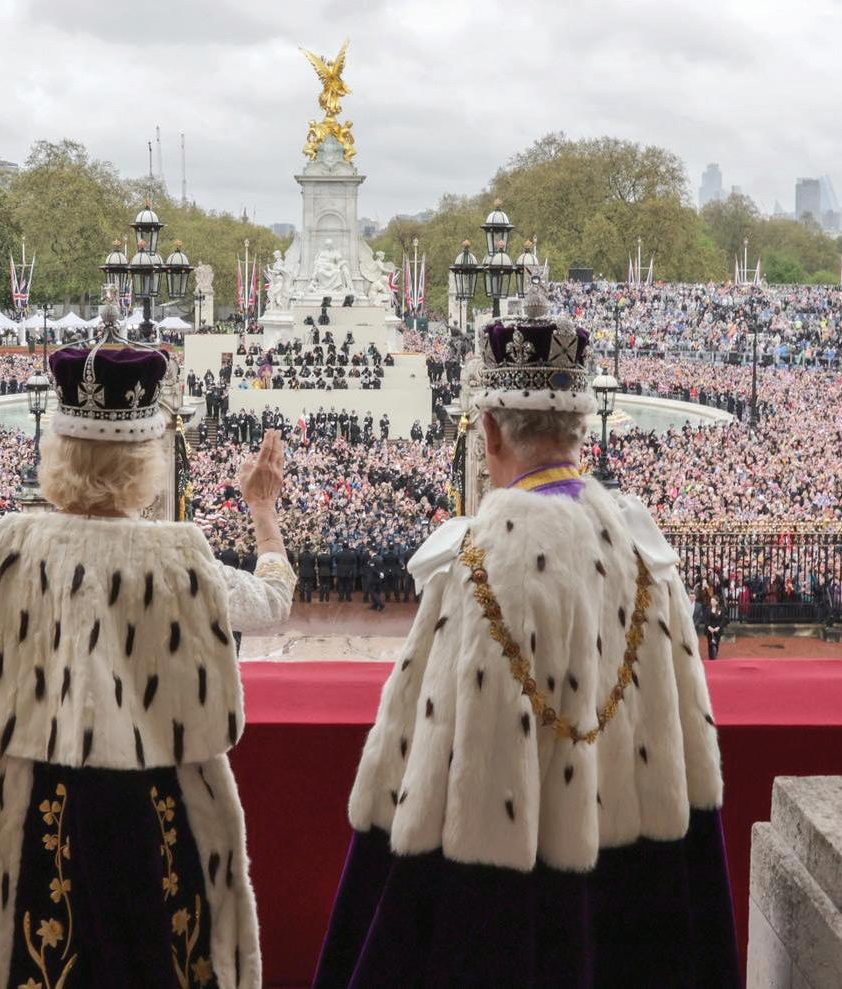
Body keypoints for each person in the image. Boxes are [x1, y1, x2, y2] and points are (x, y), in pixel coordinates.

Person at [314, 287, 738, 987]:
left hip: (511, 901)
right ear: (580, 427)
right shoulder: (646, 554)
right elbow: (690, 756)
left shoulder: (480, 562)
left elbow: (436, 767)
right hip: (636, 893)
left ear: (489, 431)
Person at [0, 324, 295, 989]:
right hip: (153, 810)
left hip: (36, 810)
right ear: (145, 459)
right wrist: (262, 511)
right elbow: (272, 600)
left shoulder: (9, 546)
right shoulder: (178, 556)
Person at [706, 594, 725, 659]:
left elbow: (722, 620)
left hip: (717, 630)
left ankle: (714, 656)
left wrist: (718, 627)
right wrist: (709, 627)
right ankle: (710, 657)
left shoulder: (721, 609)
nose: (712, 602)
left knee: (716, 644)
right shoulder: (708, 608)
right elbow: (706, 619)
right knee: (710, 644)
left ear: (717, 602)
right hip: (709, 629)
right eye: (711, 601)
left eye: (713, 601)